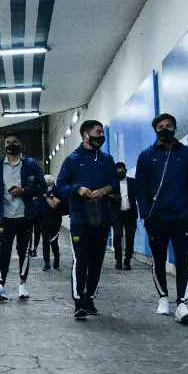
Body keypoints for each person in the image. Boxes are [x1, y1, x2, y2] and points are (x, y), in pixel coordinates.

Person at [135, 113, 188, 323]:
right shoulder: (146, 156)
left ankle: (182, 303)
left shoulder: (187, 154)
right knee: (159, 260)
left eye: (169, 125)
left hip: (182, 217)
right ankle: (163, 297)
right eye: (160, 126)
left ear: (175, 127)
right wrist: (146, 214)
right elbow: (140, 188)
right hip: (156, 219)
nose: (165, 129)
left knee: (183, 261)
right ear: (155, 130)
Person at [56, 120, 118, 319]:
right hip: (80, 219)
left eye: (102, 132)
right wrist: (77, 189)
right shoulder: (72, 160)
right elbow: (60, 187)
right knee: (81, 260)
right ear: (86, 135)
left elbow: (115, 183)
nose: (101, 136)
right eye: (98, 132)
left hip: (101, 218)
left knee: (97, 260)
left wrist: (105, 190)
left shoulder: (107, 159)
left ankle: (90, 298)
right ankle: (78, 301)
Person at [0, 132, 45, 301]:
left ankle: (22, 285)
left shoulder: (30, 164)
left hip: (24, 215)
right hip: (5, 216)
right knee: (3, 251)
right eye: (7, 142)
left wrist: (24, 191)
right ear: (4, 145)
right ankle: (0, 284)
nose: (11, 145)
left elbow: (42, 187)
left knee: (23, 251)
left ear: (21, 144)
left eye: (15, 142)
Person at [111, 162, 138, 270]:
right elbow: (105, 196)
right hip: (117, 215)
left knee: (130, 238)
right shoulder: (111, 184)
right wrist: (112, 197)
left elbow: (139, 195)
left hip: (130, 214)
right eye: (118, 172)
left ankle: (127, 261)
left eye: (121, 172)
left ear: (125, 171)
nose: (120, 174)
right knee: (117, 237)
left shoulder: (133, 182)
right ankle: (118, 260)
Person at [37, 175, 66, 272]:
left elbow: (53, 204)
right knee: (45, 242)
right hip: (43, 221)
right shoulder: (42, 191)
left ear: (52, 183)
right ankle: (47, 263)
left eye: (48, 184)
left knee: (53, 242)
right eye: (45, 184)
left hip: (55, 221)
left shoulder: (58, 192)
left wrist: (46, 197)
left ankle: (56, 260)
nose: (47, 186)